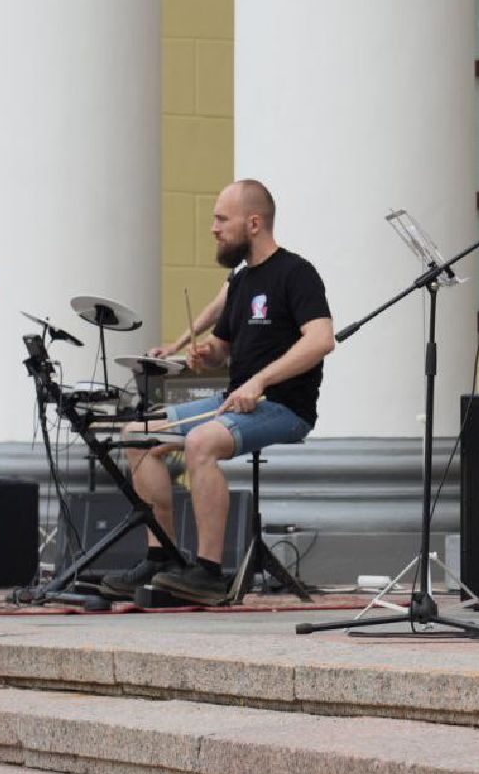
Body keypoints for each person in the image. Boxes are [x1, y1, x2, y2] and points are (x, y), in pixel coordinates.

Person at [101, 180, 333, 605]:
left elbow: (321, 339)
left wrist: (260, 381)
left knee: (200, 442)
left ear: (255, 223)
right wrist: (208, 354)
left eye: (222, 219)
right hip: (236, 400)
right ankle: (164, 556)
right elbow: (225, 347)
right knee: (136, 433)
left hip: (283, 406)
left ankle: (208, 571)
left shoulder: (296, 273)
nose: (213, 228)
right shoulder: (242, 281)